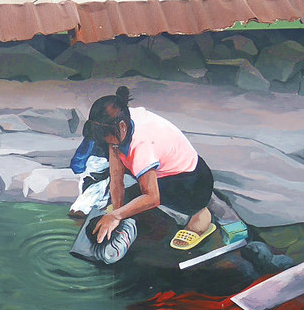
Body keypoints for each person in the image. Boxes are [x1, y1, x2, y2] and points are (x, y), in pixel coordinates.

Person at [84, 85, 217, 251]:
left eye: (108, 139)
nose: (108, 144)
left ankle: (201, 217)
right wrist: (117, 213)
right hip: (166, 172)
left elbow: (152, 197)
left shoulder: (141, 143)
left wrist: (116, 215)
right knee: (127, 203)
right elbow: (116, 177)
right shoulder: (120, 122)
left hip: (191, 183)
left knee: (151, 202)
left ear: (122, 127)